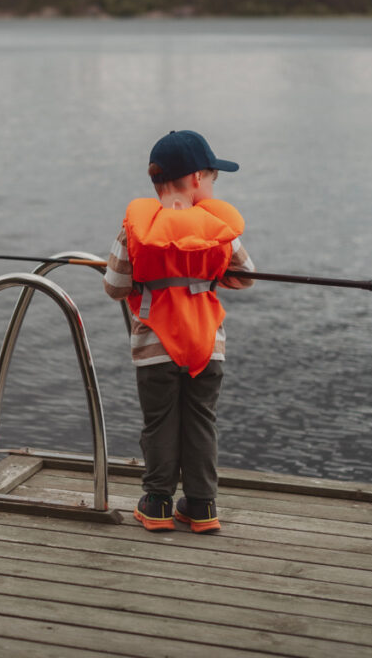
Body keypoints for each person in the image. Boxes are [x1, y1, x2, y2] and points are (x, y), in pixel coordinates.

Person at [104, 130, 255, 533]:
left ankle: (157, 504)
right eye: (211, 178)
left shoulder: (135, 228)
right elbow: (245, 277)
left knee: (160, 424)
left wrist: (143, 281)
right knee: (201, 421)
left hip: (155, 347)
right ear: (194, 180)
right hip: (207, 345)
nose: (211, 187)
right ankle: (203, 506)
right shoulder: (218, 228)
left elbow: (115, 286)